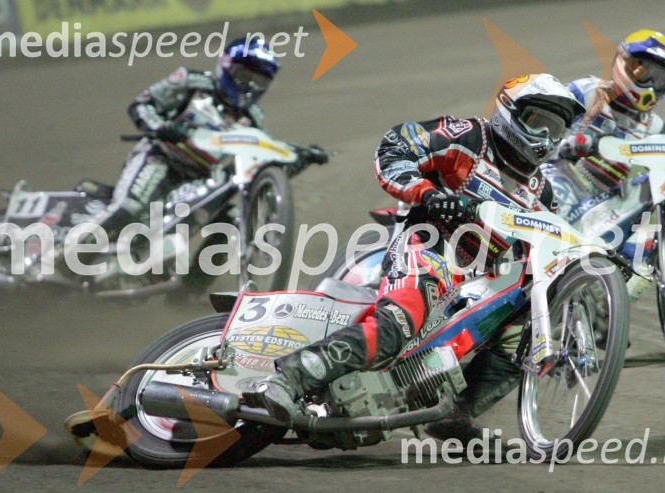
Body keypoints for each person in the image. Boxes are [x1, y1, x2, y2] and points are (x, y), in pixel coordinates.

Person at [247, 74, 586, 442]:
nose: (546, 137)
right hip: (430, 245)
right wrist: (428, 194)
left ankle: (456, 414)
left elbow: (550, 246)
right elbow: (395, 146)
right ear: (511, 112)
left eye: (556, 129)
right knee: (399, 323)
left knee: (528, 329)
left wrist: (592, 277)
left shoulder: (542, 192)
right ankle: (288, 378)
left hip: (479, 280)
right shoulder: (470, 136)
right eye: (539, 123)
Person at [79, 36, 280, 245]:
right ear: (227, 67)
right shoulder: (191, 82)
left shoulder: (254, 118)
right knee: (130, 208)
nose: (251, 86)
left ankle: (193, 268)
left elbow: (260, 154)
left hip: (201, 180)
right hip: (160, 158)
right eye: (245, 76)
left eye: (260, 82)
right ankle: (69, 254)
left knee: (233, 221)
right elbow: (143, 104)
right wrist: (159, 127)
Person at [547, 29, 665, 212]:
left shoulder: (653, 125)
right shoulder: (587, 91)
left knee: (646, 206)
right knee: (556, 198)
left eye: (660, 79)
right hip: (561, 177)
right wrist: (571, 143)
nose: (651, 85)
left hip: (605, 204)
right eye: (645, 73)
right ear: (624, 64)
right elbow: (540, 127)